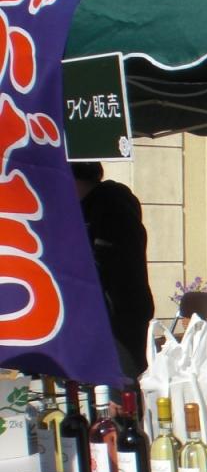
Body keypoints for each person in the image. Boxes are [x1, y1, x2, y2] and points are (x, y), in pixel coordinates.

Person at [72, 162, 154, 379]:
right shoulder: (100, 205)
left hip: (117, 318)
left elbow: (105, 264)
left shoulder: (108, 207)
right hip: (115, 314)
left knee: (119, 386)